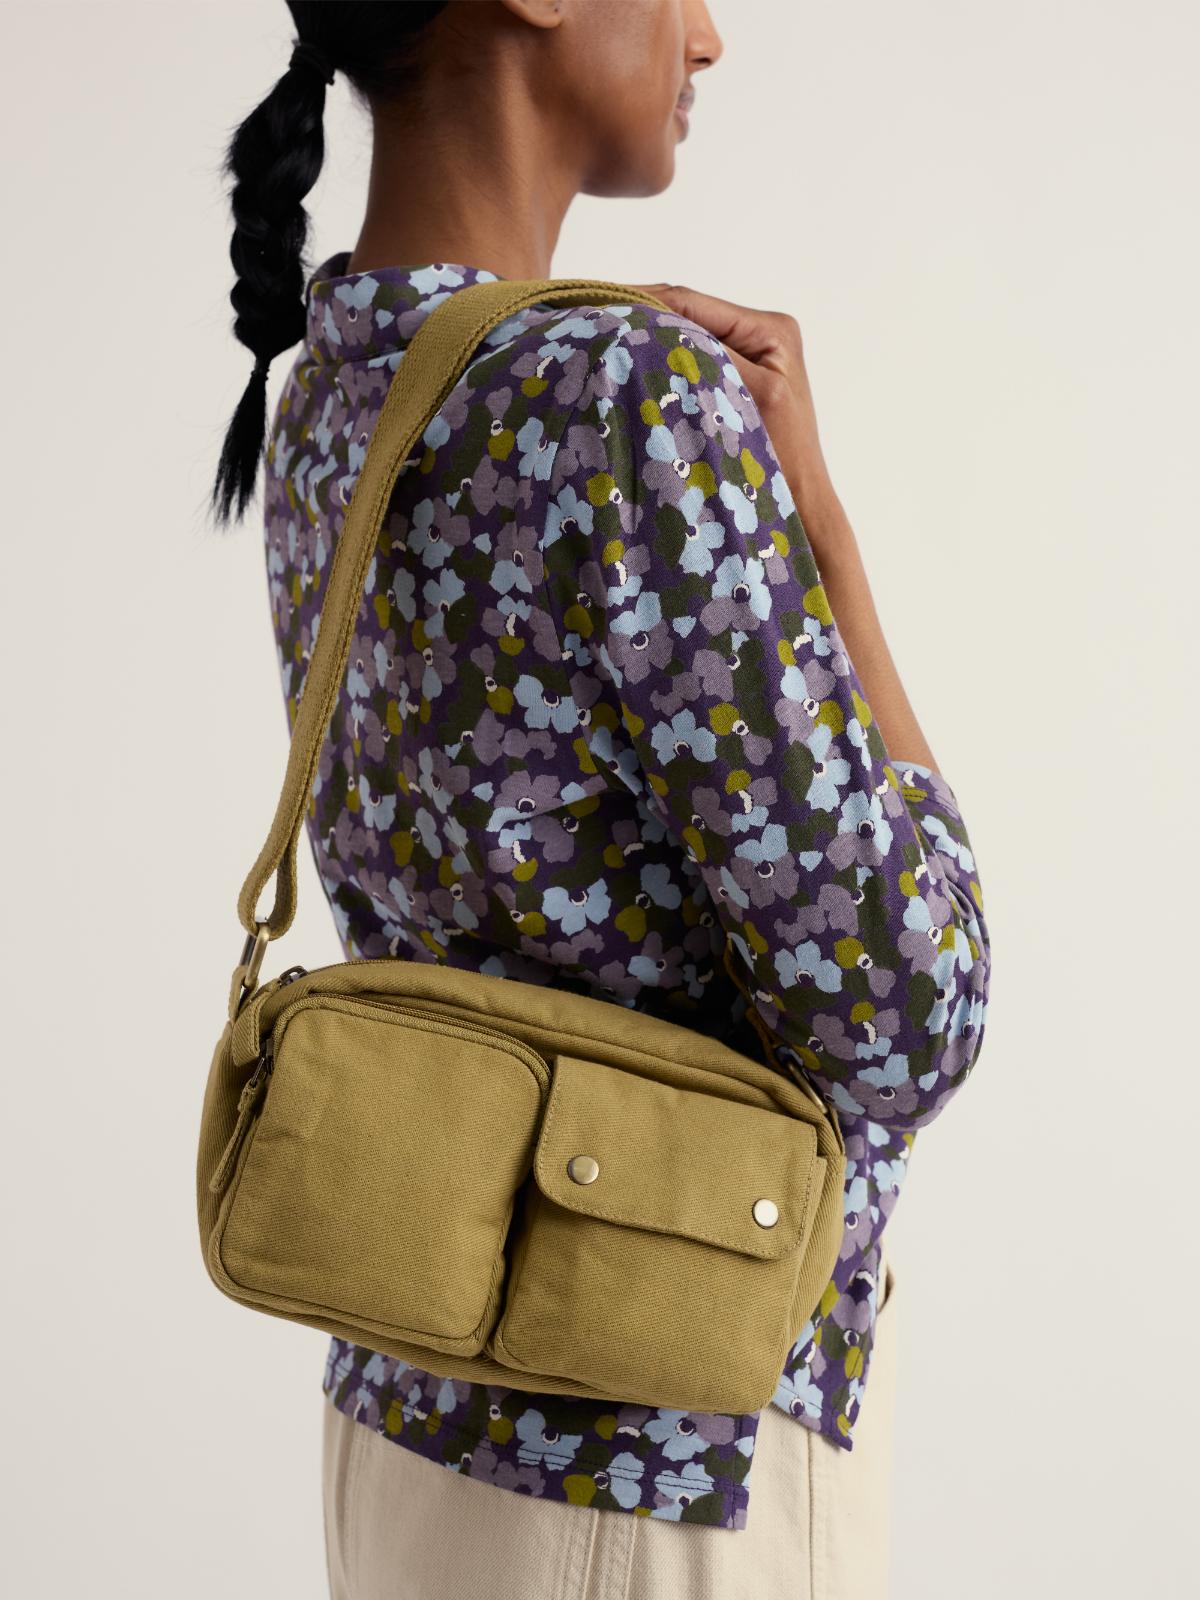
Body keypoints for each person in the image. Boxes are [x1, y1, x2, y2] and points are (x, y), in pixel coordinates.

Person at [208, 3, 992, 1595]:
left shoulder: (340, 383)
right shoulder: (630, 394)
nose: (708, 35)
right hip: (661, 1450)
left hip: (410, 1407)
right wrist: (825, 530)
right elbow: (910, 1012)